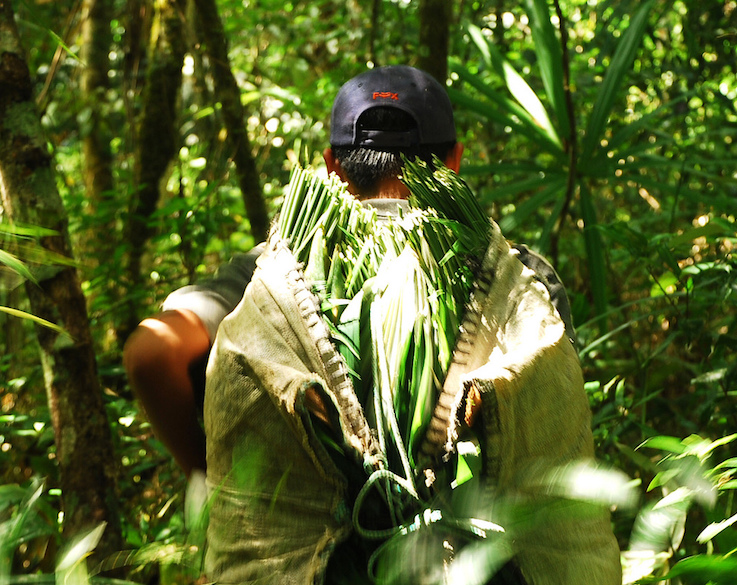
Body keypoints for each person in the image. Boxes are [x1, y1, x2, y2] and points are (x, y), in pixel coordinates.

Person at [124, 65, 620, 584]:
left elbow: (151, 353)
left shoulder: (267, 278)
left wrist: (219, 480)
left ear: (332, 167)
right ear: (453, 161)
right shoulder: (518, 281)